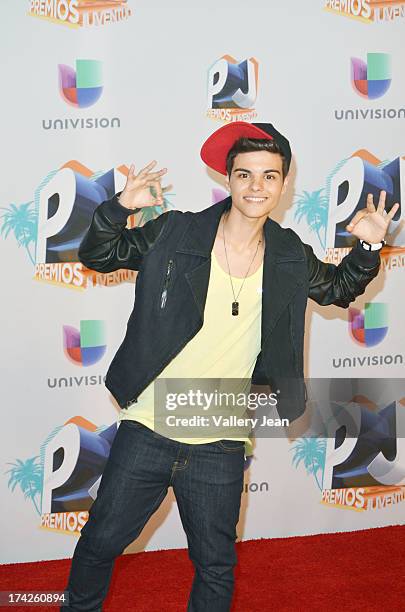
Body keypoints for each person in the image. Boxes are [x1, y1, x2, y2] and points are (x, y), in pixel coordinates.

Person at [62, 122, 398, 611]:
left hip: (220, 434)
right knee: (99, 544)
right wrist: (118, 209)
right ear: (228, 179)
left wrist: (368, 247)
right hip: (150, 425)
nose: (256, 187)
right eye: (245, 175)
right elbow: (97, 254)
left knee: (216, 566)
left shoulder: (287, 254)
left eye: (269, 176)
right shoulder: (175, 230)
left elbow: (337, 288)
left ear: (284, 185)